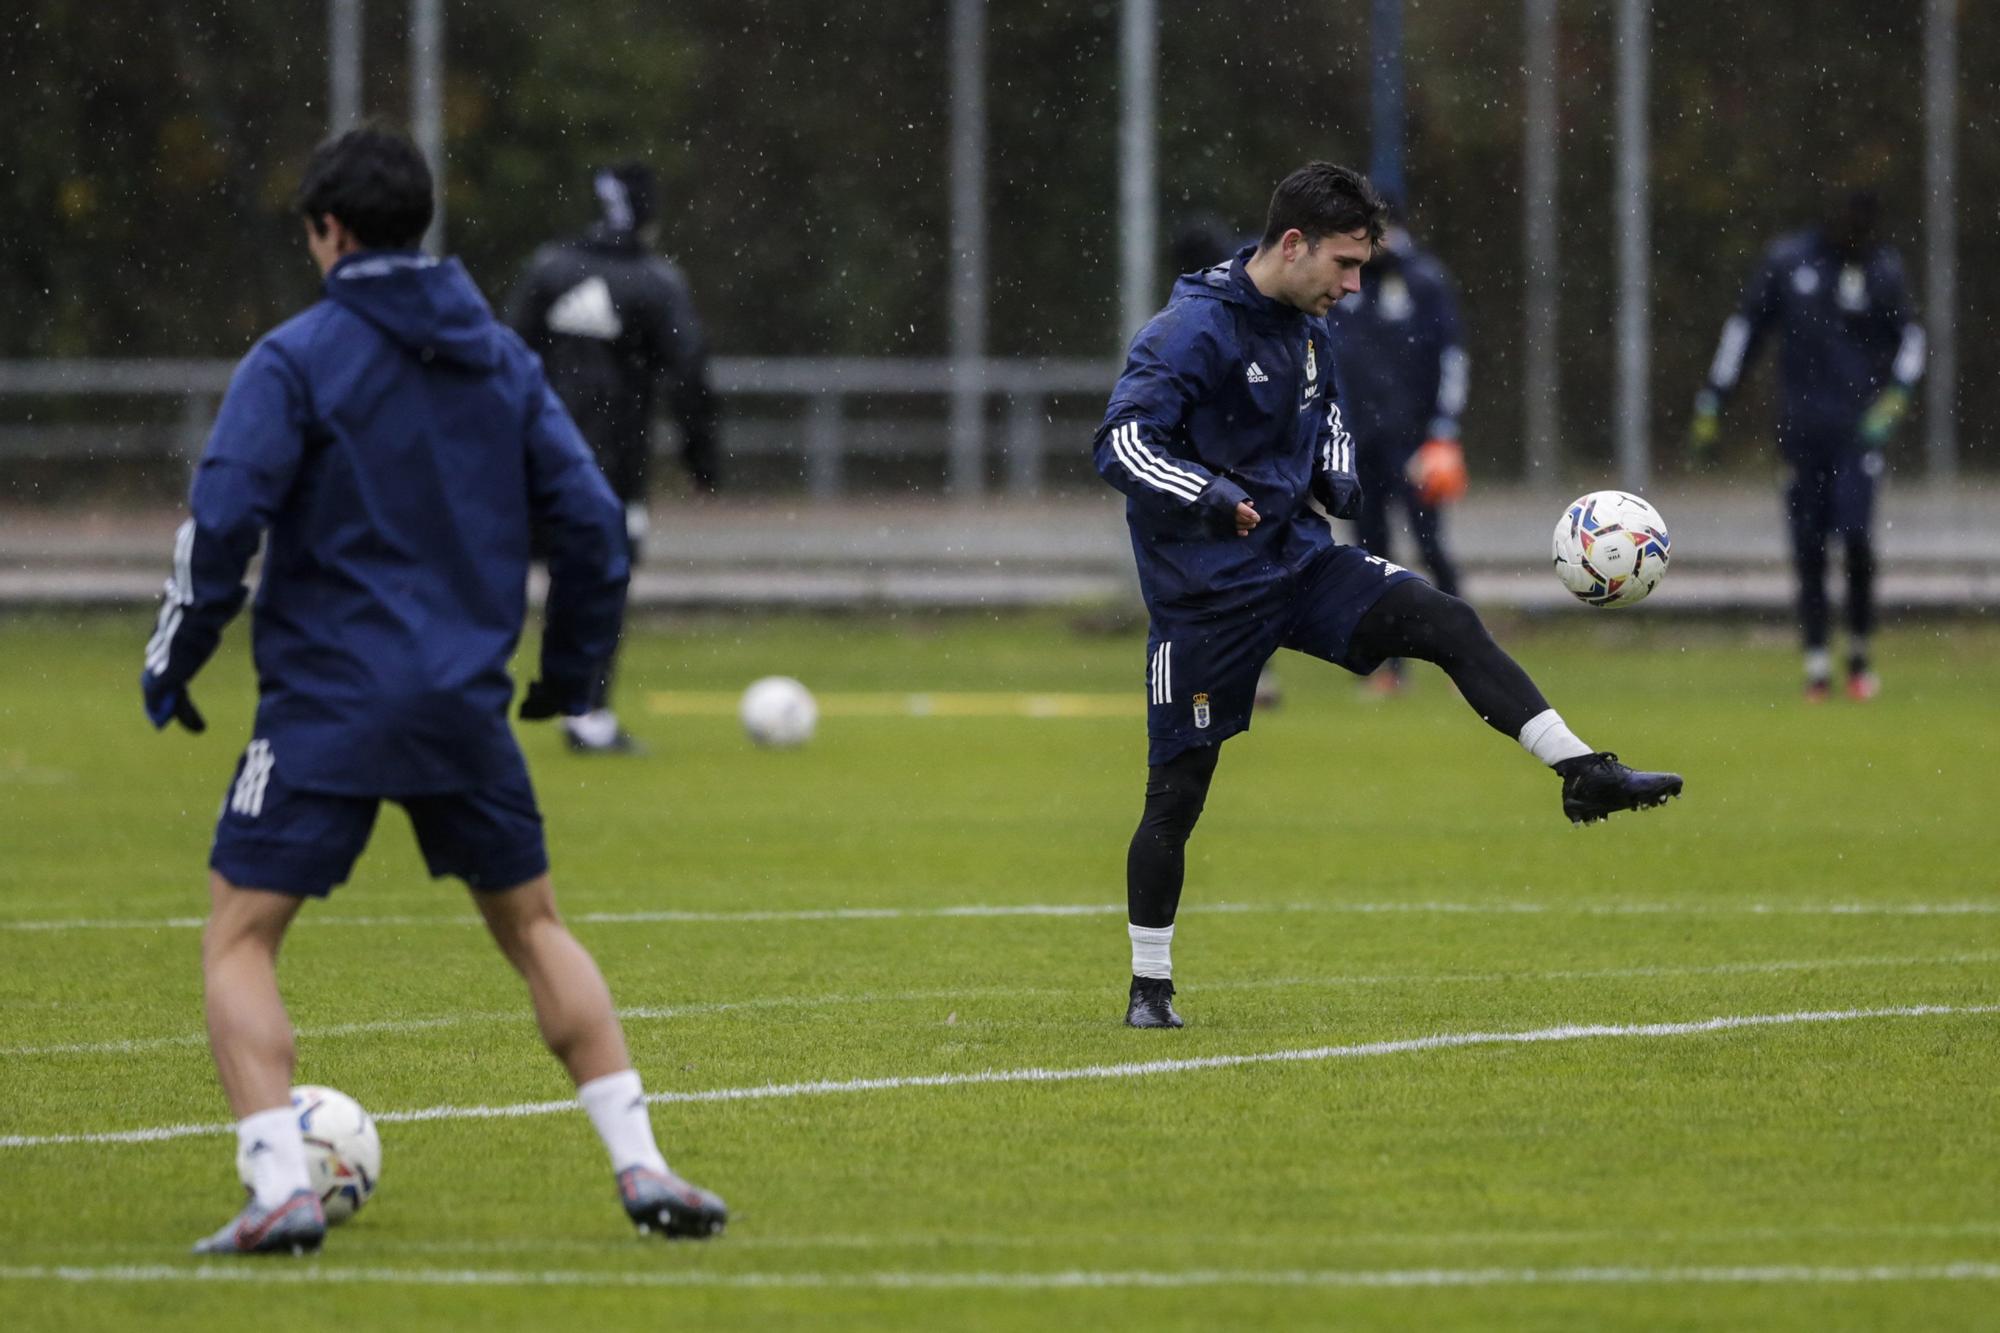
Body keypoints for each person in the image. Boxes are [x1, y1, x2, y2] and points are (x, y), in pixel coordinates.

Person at [141, 127, 726, 1255]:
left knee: (239, 936)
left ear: (329, 231)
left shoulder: (296, 358)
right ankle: (642, 1163)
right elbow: (594, 531)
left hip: (326, 703)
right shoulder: (500, 359)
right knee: (533, 924)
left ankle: (278, 1184)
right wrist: (567, 677)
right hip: (463, 702)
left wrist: (177, 653)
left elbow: (221, 521)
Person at [1093, 162, 1682, 1030]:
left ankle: (1582, 771)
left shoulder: (1311, 322)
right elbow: (1121, 444)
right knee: (1176, 793)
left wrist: (1334, 472)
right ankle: (1150, 987)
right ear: (1291, 245)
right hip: (1203, 600)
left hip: (1300, 567)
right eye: (1343, 264)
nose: (1354, 284)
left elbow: (1324, 408)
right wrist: (1212, 496)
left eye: (1363, 266)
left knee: (1441, 616)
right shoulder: (1190, 331)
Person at [506, 161, 719, 753]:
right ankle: (586, 712)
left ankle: (452, 706)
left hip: (530, 461)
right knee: (600, 581)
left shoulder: (547, 270)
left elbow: (502, 360)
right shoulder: (655, 283)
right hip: (611, 469)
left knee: (494, 577)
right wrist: (704, 461)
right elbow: (692, 374)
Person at [1689, 189, 1925, 701]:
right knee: (1809, 545)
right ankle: (1817, 663)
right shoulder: (1789, 262)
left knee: (1857, 539)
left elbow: (1910, 338)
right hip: (1800, 432)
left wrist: (1894, 401)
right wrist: (1715, 397)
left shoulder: (1882, 270)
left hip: (1858, 433)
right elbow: (1746, 328)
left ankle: (1859, 655)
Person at [1324, 212, 1469, 693]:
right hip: (1360, 442)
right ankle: (1388, 666)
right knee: (1370, 555)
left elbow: (1451, 357)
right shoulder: (1347, 282)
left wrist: (1443, 432)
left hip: (1414, 442)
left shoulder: (1424, 281)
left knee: (1430, 546)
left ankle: (1466, 653)